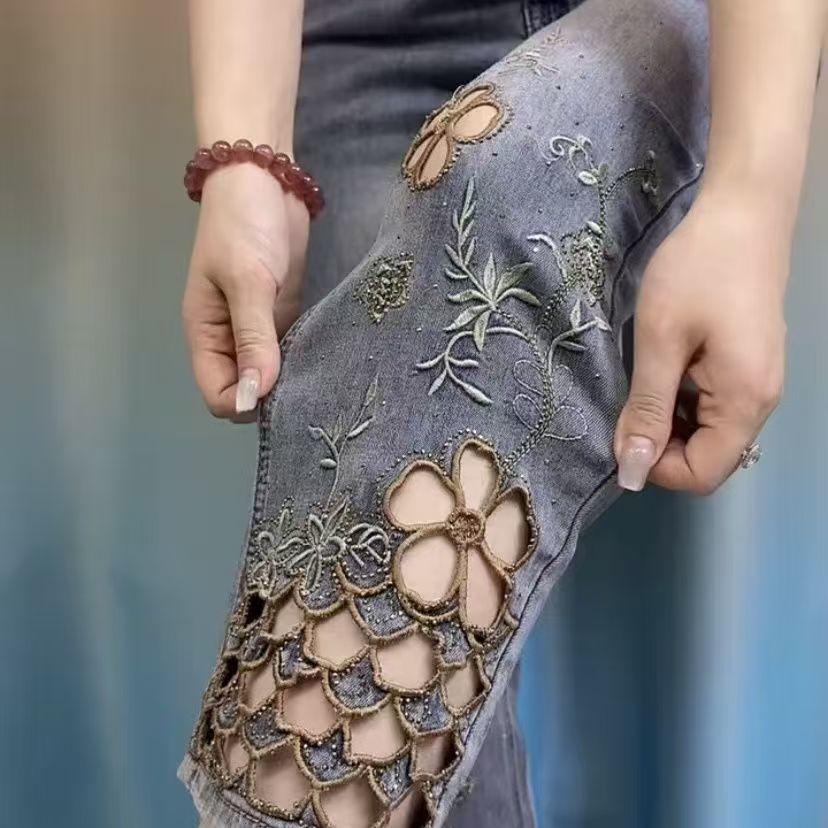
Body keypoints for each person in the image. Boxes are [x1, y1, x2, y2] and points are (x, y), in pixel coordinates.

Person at [178, 1, 826, 826]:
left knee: (500, 178)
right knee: (388, 670)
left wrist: (750, 207)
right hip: (367, 40)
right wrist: (244, 158)